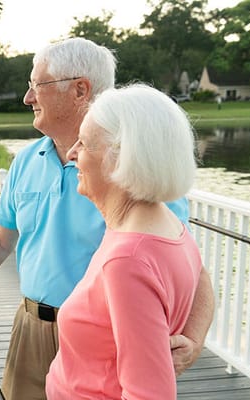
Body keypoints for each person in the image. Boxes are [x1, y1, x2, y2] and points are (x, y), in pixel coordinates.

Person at [0, 38, 214, 400]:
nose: (28, 98)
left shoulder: (135, 180)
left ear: (79, 89)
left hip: (107, 342)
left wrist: (195, 339)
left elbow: (190, 267)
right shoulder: (26, 161)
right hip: (31, 328)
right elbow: (0, 241)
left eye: (36, 85)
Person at [46, 83, 205, 399]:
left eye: (86, 144)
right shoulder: (163, 223)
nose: (73, 153)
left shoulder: (128, 259)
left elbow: (148, 394)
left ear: (121, 158)